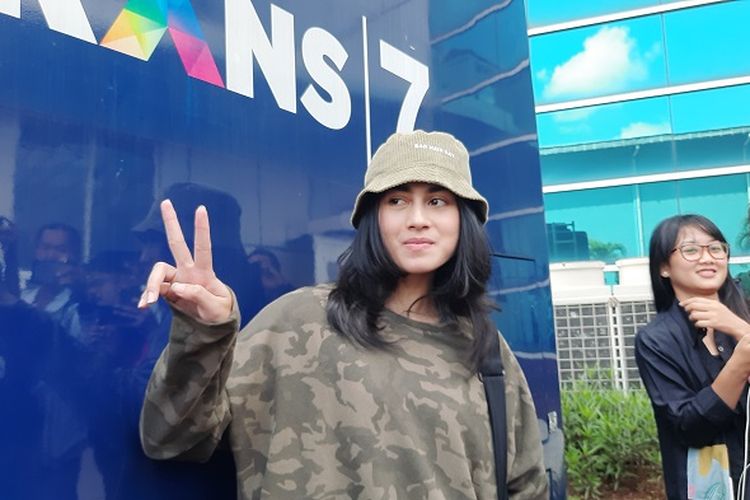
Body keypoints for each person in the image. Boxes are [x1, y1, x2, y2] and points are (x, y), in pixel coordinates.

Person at [137, 130, 548, 499]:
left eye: (437, 201)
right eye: (397, 200)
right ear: (371, 218)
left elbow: (527, 487)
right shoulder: (296, 324)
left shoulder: (488, 352)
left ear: (465, 219)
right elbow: (168, 440)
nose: (418, 220)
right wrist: (204, 332)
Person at [635, 214, 750, 500]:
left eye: (716, 248)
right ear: (664, 267)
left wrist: (740, 329)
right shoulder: (656, 340)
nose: (707, 258)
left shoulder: (744, 316)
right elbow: (690, 427)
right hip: (708, 489)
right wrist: (740, 363)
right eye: (691, 250)